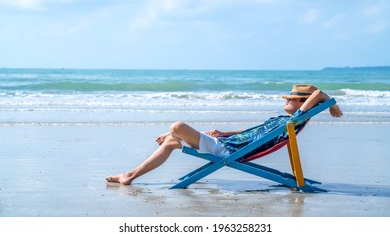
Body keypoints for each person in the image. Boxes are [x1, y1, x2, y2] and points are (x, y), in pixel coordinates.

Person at [106, 85, 343, 185]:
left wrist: (331, 104)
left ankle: (130, 174)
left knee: (176, 126)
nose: (287, 101)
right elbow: (253, 133)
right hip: (225, 143)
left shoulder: (293, 120)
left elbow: (319, 93)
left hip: (228, 152)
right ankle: (130, 175)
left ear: (303, 103)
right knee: (170, 141)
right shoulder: (282, 121)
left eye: (292, 99)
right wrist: (223, 132)